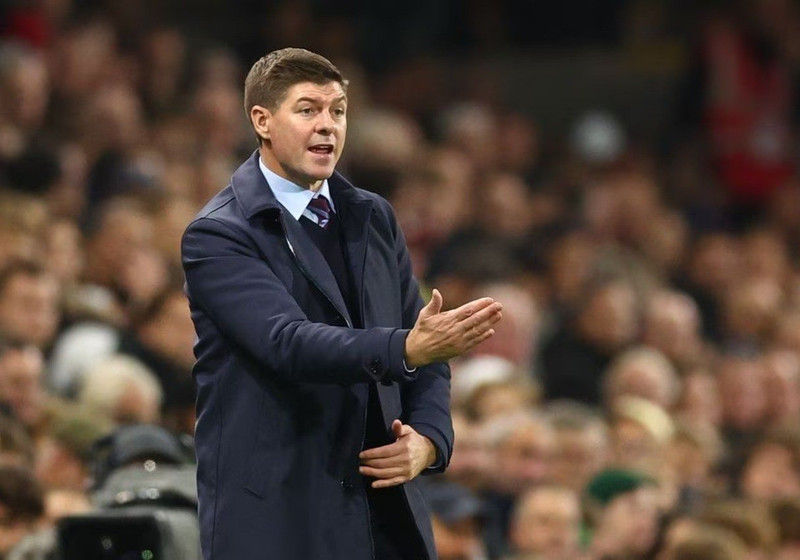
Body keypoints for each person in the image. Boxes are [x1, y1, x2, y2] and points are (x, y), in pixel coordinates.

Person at [180, 47, 503, 560]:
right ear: (261, 120)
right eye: (308, 110)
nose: (327, 126)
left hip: (384, 513)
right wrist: (407, 350)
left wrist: (429, 441)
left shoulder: (372, 216)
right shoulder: (219, 234)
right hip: (280, 517)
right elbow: (287, 342)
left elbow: (424, 344)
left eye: (338, 111)